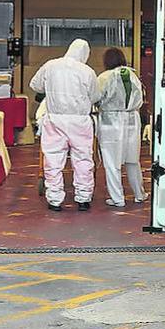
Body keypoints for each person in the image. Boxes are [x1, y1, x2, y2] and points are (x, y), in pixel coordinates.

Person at [29, 39, 99, 212]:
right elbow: (96, 96)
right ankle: (83, 198)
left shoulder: (50, 65)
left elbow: (35, 85)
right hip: (80, 121)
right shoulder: (87, 71)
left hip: (54, 119)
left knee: (52, 159)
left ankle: (54, 199)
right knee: (83, 159)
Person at [96, 48, 147, 208]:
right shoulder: (133, 74)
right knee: (133, 160)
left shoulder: (104, 77)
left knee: (112, 162)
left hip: (111, 120)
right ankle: (139, 194)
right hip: (132, 118)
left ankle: (118, 198)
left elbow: (96, 97)